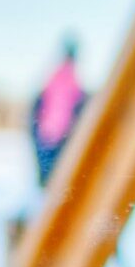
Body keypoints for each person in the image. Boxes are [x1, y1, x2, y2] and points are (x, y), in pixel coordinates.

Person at [31, 36, 87, 186]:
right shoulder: (67, 76)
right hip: (56, 135)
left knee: (50, 177)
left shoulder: (57, 75)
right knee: (53, 178)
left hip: (50, 134)